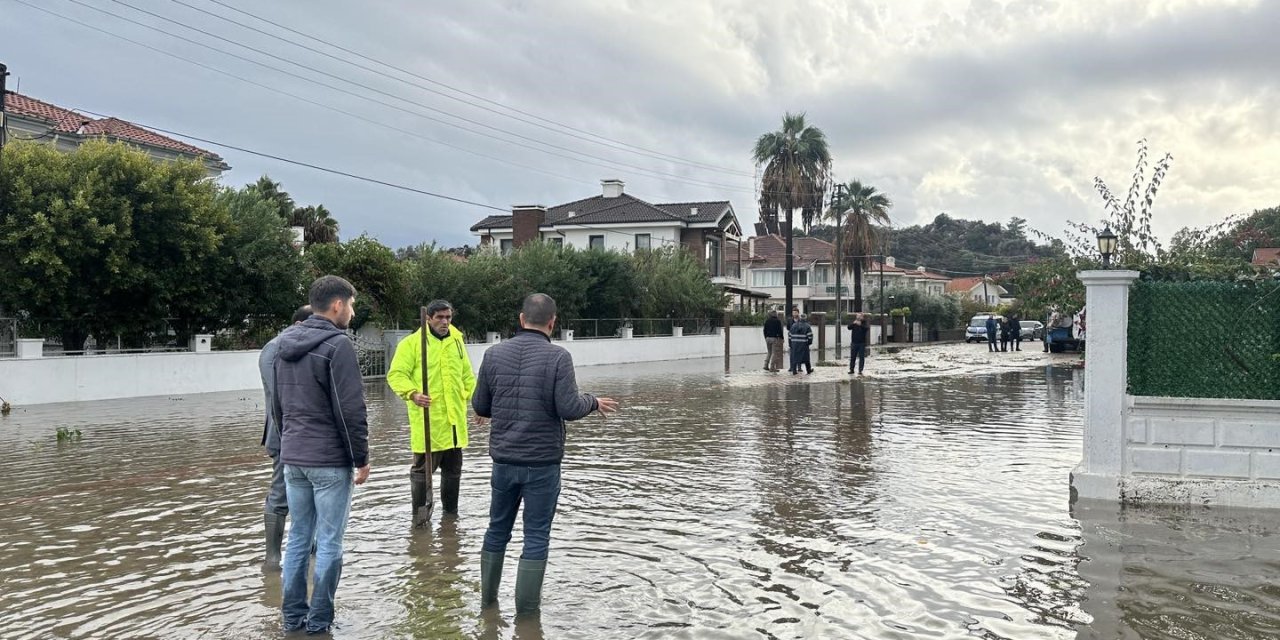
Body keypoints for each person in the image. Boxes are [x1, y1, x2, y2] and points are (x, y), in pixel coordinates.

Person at [472, 293, 619, 616]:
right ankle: (527, 618)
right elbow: (568, 408)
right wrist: (592, 402)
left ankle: (488, 607)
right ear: (552, 323)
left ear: (521, 320)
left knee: (497, 529)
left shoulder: (493, 354)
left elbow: (480, 406)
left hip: (504, 462)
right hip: (542, 464)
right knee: (536, 536)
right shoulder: (558, 358)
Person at [273, 275, 371, 635]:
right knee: (329, 542)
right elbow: (351, 410)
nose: (353, 311)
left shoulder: (282, 344)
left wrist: (289, 445)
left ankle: (292, 618)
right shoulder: (338, 345)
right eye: (352, 304)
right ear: (337, 305)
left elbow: (277, 407)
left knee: (299, 538)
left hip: (293, 457)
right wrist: (361, 458)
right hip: (328, 460)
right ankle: (319, 621)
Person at [387, 299, 477, 526]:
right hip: (429, 422)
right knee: (421, 471)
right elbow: (396, 375)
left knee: (453, 471)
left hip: (454, 422)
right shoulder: (412, 344)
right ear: (428, 318)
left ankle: (450, 518)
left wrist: (475, 401)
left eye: (448, 317)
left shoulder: (457, 340)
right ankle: (419, 518)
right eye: (440, 317)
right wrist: (413, 393)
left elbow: (467, 374)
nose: (445, 322)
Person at [257, 304, 311, 572]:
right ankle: (272, 558)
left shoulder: (311, 346)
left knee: (312, 496)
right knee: (280, 494)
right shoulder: (273, 349)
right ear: (300, 324)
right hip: (284, 438)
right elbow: (283, 399)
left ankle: (310, 551)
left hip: (312, 438)